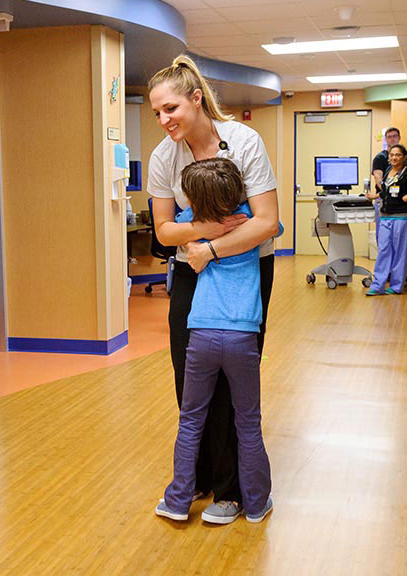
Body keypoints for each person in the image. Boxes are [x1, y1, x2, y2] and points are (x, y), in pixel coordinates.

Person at [147, 55, 280, 525]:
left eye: (170, 109)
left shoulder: (243, 142)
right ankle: (196, 478)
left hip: (246, 269)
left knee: (233, 382)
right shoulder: (164, 157)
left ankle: (231, 489)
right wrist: (206, 230)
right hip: (191, 272)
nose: (164, 121)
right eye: (157, 113)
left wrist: (210, 249)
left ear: (196, 99)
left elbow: (267, 222)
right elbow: (164, 231)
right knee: (190, 377)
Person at [155, 158, 274, 524]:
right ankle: (256, 503)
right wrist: (239, 211)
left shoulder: (193, 224)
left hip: (201, 334)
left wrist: (202, 222)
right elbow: (274, 225)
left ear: (193, 200)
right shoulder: (248, 222)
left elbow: (169, 231)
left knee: (191, 420)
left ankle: (178, 501)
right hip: (242, 335)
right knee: (247, 421)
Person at [365, 144, 407, 295]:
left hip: (402, 217)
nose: (394, 158)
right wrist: (375, 196)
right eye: (392, 155)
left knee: (399, 252)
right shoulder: (388, 171)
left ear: (404, 157)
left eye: (398, 155)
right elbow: (386, 191)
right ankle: (377, 286)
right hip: (386, 216)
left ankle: (396, 286)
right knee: (383, 250)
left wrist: (405, 198)